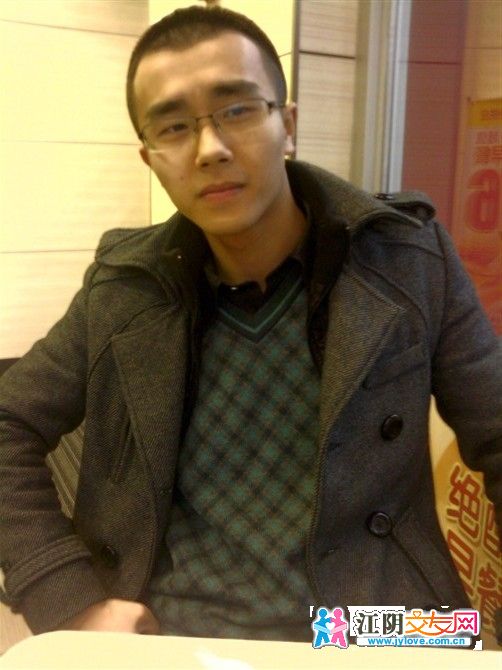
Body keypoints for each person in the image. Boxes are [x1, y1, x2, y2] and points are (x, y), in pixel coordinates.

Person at [0, 5, 500, 644]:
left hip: (374, 623)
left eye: (236, 110)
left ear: (286, 125)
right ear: (150, 157)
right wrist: (68, 599)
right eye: (174, 126)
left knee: (454, 641)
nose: (210, 149)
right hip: (180, 628)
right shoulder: (124, 287)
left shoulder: (406, 256)